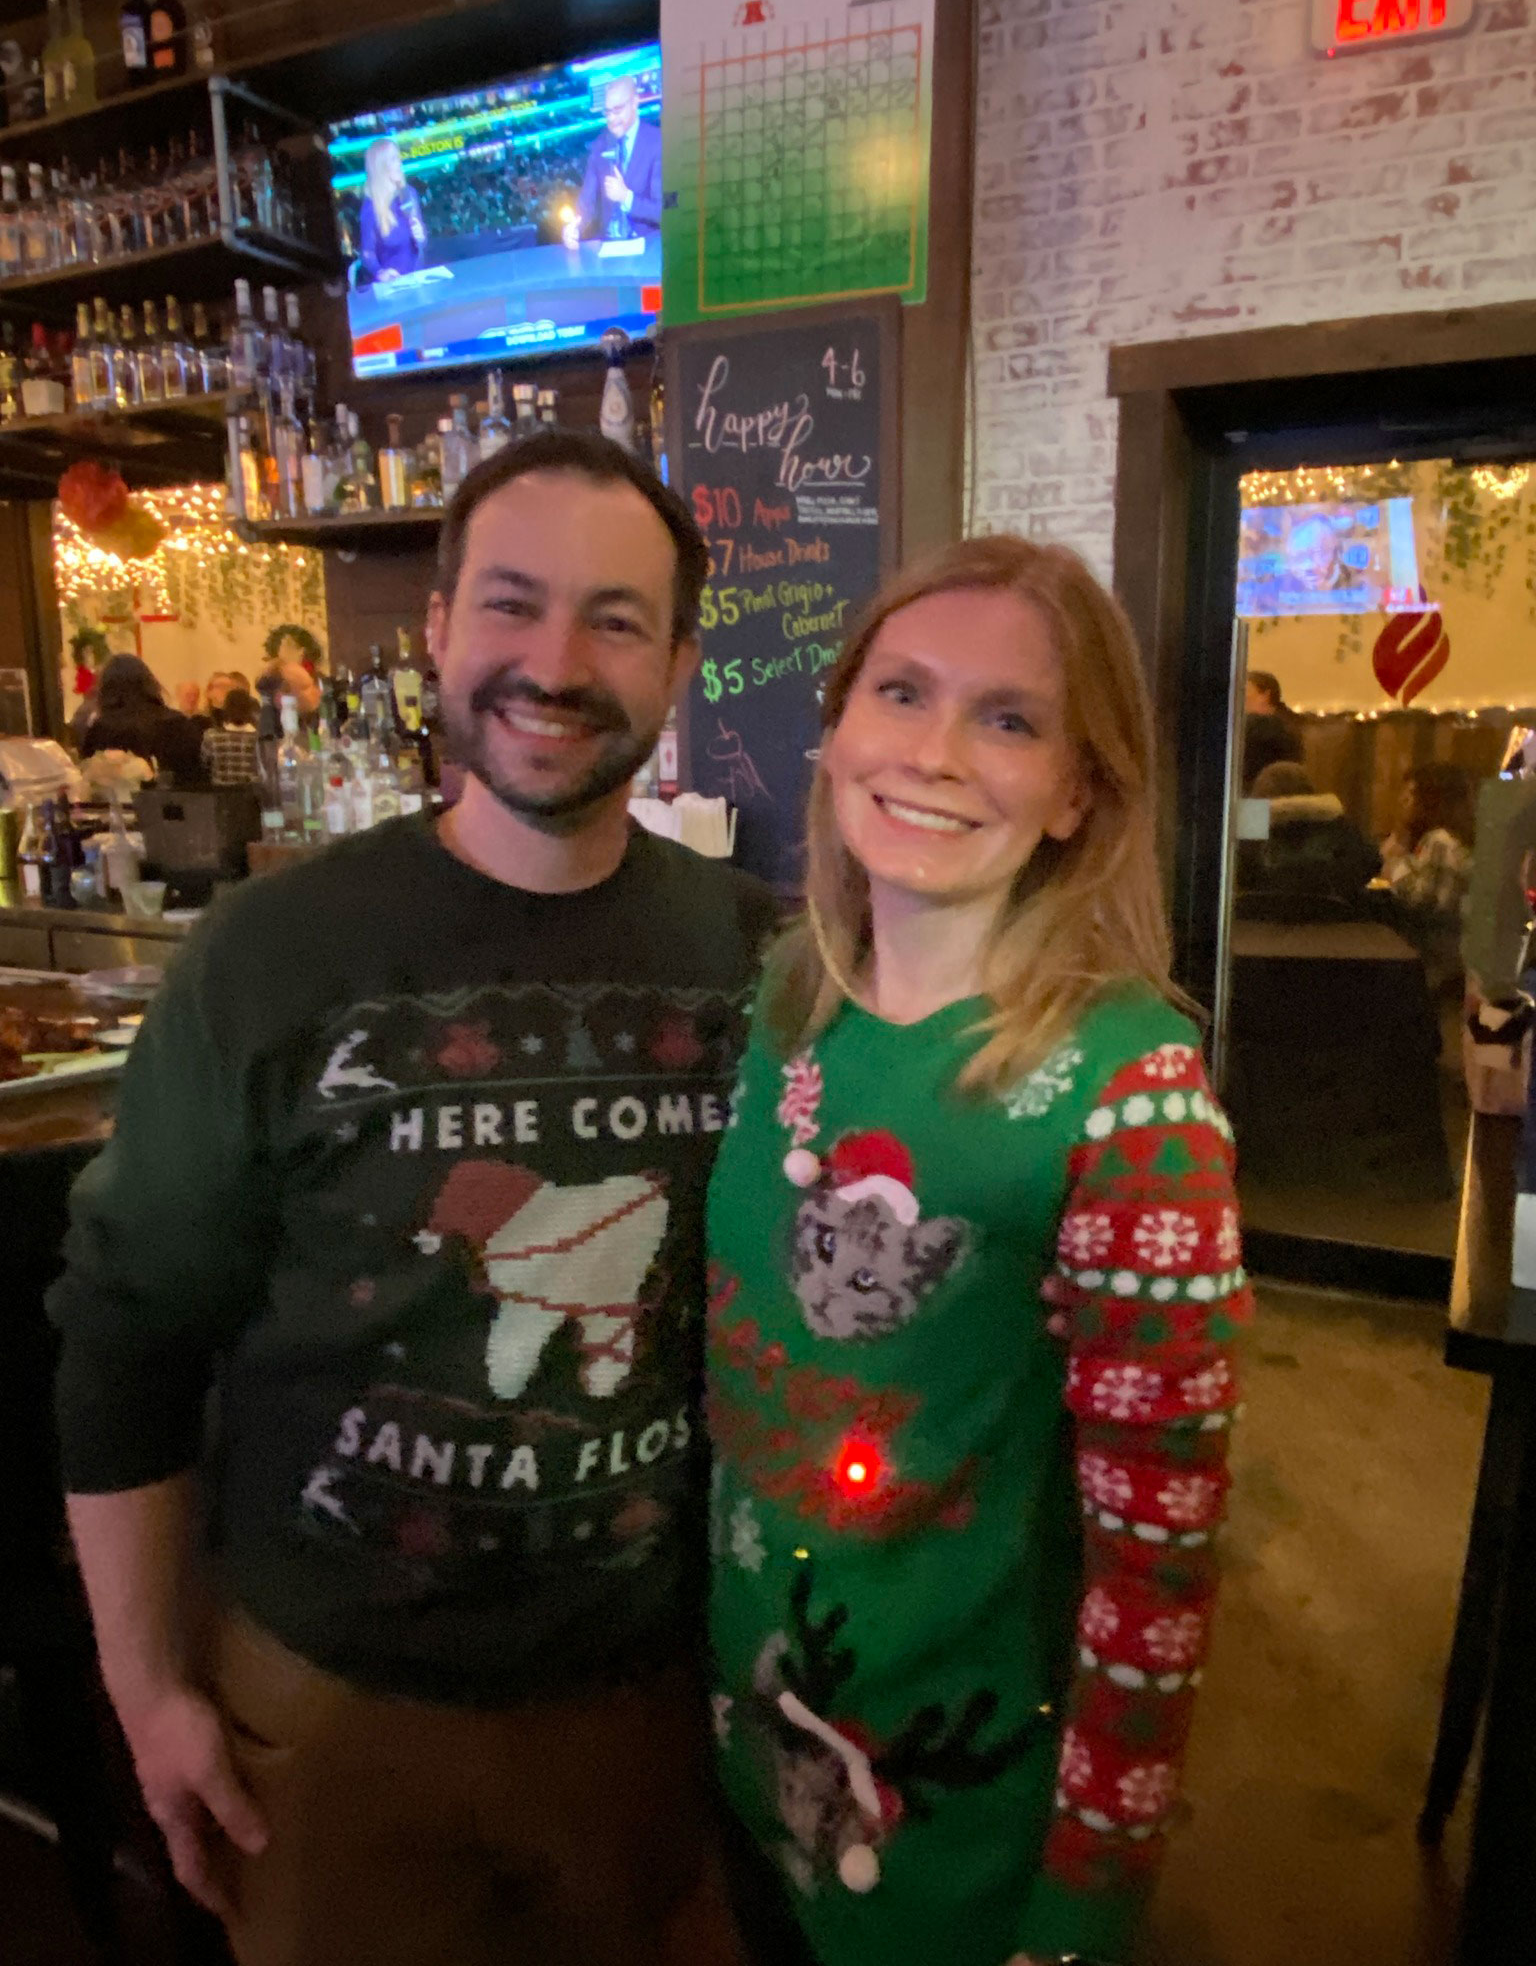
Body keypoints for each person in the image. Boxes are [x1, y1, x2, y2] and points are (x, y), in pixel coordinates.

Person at [51, 433, 777, 1966]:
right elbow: (126, 1335)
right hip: (327, 1719)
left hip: (656, 1709)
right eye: (511, 604)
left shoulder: (767, 961)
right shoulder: (270, 954)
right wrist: (148, 1688)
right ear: (438, 630)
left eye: (616, 620)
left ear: (679, 665)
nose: (555, 664)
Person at [704, 535, 1250, 1966]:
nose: (936, 752)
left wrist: (1081, 1912)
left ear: (1078, 791)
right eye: (903, 692)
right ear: (837, 728)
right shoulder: (787, 1000)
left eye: (1008, 718)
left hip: (959, 1840)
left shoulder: (1132, 1101)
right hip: (751, 1760)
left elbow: (1156, 1579)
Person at [1380, 760, 1476, 990]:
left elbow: (1420, 901)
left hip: (1436, 968)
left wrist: (1393, 864)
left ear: (1433, 800)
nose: (1403, 799)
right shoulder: (1441, 840)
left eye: (1412, 793)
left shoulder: (1440, 841)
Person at [1236, 759, 1380, 908]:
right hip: (1328, 915)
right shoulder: (1335, 829)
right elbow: (1371, 861)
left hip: (1259, 916)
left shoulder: (1250, 831)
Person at [563, 75, 662, 248]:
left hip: (648, 246)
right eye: (607, 112)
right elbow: (586, 203)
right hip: (609, 245)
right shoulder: (599, 146)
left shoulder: (658, 142)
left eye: (617, 110)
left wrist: (626, 198)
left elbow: (666, 209)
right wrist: (575, 227)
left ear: (635, 103)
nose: (611, 119)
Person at [80, 653, 205, 787]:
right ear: (149, 683)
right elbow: (198, 776)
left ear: (106, 689)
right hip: (176, 798)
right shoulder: (177, 723)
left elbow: (88, 776)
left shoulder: (100, 730)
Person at [358, 136, 427, 284]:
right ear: (381, 167)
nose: (399, 163)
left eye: (398, 158)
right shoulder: (370, 209)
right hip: (391, 284)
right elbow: (367, 253)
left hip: (417, 278)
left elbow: (421, 243)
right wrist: (380, 272)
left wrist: (421, 236)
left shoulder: (408, 194)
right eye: (394, 159)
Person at [200, 687, 262, 788]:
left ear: (226, 709)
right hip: (250, 794)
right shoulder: (259, 739)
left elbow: (205, 764)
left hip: (220, 794)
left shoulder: (212, 736)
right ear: (249, 709)